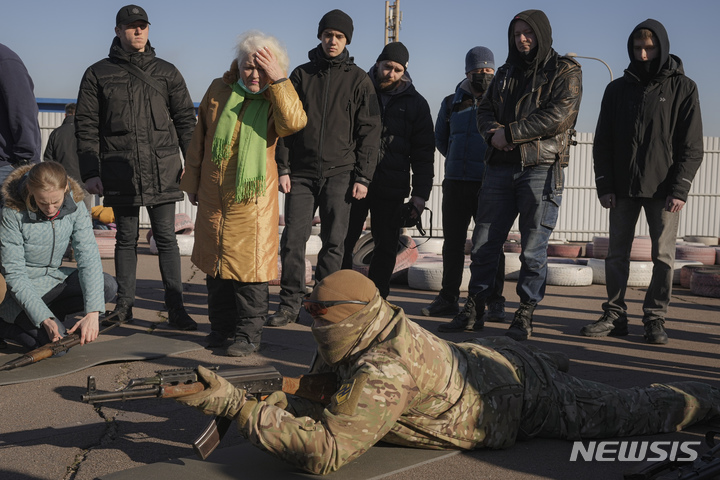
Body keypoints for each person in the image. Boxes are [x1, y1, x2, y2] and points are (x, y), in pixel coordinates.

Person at [177, 269, 720, 475]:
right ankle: (551, 363)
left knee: (644, 409)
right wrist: (273, 395)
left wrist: (236, 407)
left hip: (518, 397)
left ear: (346, 322)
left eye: (319, 319)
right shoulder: (363, 332)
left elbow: (326, 452)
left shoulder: (383, 368)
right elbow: (324, 392)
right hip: (481, 362)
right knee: (536, 366)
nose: (313, 329)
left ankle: (712, 395)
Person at [443, 10, 582, 339]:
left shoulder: (565, 70)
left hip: (541, 167)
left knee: (533, 247)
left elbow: (559, 116)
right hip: (499, 167)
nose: (522, 38)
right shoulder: (503, 72)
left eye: (528, 33)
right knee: (483, 243)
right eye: (516, 33)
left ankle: (525, 312)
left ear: (541, 34)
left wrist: (512, 133)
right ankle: (475, 307)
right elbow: (485, 108)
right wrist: (492, 133)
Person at [180, 31, 307, 357]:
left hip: (252, 202)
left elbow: (294, 122)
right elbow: (200, 140)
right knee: (215, 270)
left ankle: (247, 336)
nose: (253, 75)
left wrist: (279, 80)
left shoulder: (273, 99)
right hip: (213, 197)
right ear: (237, 64)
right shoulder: (218, 90)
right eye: (249, 66)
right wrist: (192, 182)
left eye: (262, 68)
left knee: (249, 274)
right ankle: (221, 330)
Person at [581, 20, 704, 345]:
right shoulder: (617, 89)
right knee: (616, 255)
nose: (644, 53)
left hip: (664, 192)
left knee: (663, 258)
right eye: (638, 47)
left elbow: (692, 146)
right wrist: (605, 185)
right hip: (621, 189)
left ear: (661, 47)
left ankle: (654, 320)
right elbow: (603, 142)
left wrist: (680, 189)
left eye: (649, 47)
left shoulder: (683, 88)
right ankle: (614, 316)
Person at [75, 5, 198, 330]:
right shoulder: (97, 73)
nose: (138, 31)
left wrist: (193, 166)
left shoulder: (167, 71)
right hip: (120, 169)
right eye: (131, 27)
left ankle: (176, 309)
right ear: (118, 31)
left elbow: (186, 120)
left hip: (163, 168)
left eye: (142, 25)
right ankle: (124, 307)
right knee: (125, 239)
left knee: (167, 238)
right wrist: (90, 171)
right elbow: (86, 124)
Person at [266, 9, 381, 327]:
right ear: (320, 36)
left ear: (347, 41)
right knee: (292, 241)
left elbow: (370, 130)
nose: (333, 41)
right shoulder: (301, 76)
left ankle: (324, 306)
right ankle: (289, 304)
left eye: (340, 37)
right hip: (301, 174)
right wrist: (284, 167)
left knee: (335, 243)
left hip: (340, 174)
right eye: (328, 35)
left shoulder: (360, 80)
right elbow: (285, 124)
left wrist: (363, 176)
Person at [341, 41, 434, 299]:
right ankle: (341, 295)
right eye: (386, 67)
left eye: (397, 69)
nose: (390, 74)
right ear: (378, 63)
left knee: (386, 246)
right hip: (353, 183)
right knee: (343, 242)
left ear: (404, 71)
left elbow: (424, 155)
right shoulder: (359, 90)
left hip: (391, 188)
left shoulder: (417, 104)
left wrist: (420, 195)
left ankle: (377, 298)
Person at [424, 46, 507, 323]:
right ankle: (448, 298)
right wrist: (459, 160)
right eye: (477, 71)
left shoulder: (501, 103)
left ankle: (495, 301)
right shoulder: (451, 103)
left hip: (489, 184)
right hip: (456, 184)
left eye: (488, 71)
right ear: (467, 72)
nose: (483, 76)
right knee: (453, 244)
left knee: (490, 246)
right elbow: (440, 139)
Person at [0, 162, 117, 350]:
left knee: (108, 285)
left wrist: (93, 313)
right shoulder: (12, 213)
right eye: (42, 202)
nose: (51, 209)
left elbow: (88, 257)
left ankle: (53, 316)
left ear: (66, 189)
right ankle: (4, 325)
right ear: (30, 190)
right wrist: (45, 319)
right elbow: (15, 275)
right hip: (23, 292)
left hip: (54, 280)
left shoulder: (76, 206)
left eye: (56, 202)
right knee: (57, 349)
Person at [0, 43, 41, 189]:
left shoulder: (5, 61)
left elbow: (21, 110)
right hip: (8, 166)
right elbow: (22, 111)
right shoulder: (5, 59)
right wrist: (28, 160)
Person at [43, 103, 92, 213]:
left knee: (64, 214)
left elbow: (48, 160)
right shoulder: (86, 133)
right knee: (85, 215)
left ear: (65, 115)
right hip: (84, 181)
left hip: (63, 182)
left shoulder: (56, 133)